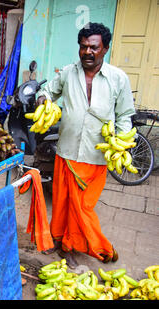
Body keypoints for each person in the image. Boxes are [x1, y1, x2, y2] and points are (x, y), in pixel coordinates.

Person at [36, 22, 136, 268]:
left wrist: (121, 144)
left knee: (82, 207)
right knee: (61, 203)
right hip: (68, 151)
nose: (88, 52)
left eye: (94, 47)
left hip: (96, 154)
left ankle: (95, 246)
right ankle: (63, 244)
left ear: (105, 49)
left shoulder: (118, 79)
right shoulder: (68, 73)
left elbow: (124, 116)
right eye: (83, 47)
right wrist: (43, 100)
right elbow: (48, 90)